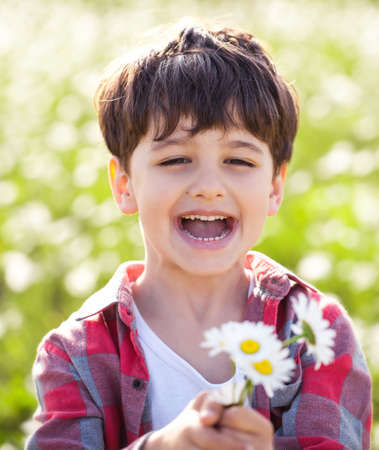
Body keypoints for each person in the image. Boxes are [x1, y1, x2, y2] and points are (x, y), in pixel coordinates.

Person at [26, 22, 372, 450]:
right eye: (175, 159)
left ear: (275, 187)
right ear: (124, 184)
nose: (209, 185)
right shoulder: (76, 354)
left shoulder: (314, 333)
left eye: (239, 161)